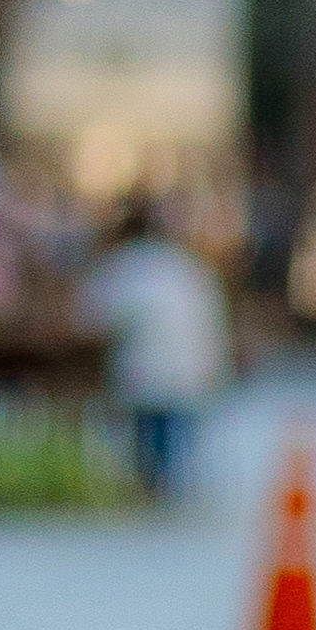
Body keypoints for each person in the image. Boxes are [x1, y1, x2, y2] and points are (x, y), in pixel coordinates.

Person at [85, 196, 230, 501]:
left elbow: (93, 317)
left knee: (150, 440)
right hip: (191, 370)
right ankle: (169, 489)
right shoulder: (190, 266)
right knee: (176, 439)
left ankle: (153, 489)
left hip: (146, 373)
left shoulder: (124, 266)